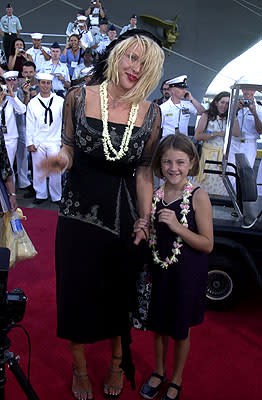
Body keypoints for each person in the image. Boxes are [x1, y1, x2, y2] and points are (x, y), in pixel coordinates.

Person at [39, 29, 165, 400]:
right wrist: (61, 160)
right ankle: (79, 368)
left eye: (144, 63)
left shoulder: (152, 112)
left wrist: (144, 218)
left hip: (123, 217)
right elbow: (69, 147)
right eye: (130, 57)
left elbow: (144, 171)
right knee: (75, 290)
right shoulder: (78, 97)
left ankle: (115, 362)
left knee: (118, 291)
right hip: (78, 213)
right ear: (117, 55)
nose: (135, 67)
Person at [135, 133, 213, 400]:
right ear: (159, 164)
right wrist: (142, 226)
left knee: (180, 329)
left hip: (186, 275)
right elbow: (150, 233)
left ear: (191, 163)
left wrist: (178, 227)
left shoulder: (198, 197)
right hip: (160, 271)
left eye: (180, 162)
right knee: (158, 326)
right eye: (167, 162)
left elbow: (207, 244)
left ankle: (176, 378)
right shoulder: (155, 195)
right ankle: (158, 370)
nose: (173, 168)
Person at [26, 73, 64, 205]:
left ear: (51, 85)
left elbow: (65, 120)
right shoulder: (33, 103)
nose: (45, 86)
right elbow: (29, 124)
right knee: (38, 169)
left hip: (54, 140)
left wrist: (64, 140)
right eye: (43, 82)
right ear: (38, 83)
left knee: (55, 169)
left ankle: (56, 196)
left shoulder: (59, 101)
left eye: (48, 83)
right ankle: (40, 194)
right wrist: (29, 142)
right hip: (38, 140)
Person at [194, 91, 240, 196]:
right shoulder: (207, 115)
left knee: (220, 184)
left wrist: (234, 114)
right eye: (222, 102)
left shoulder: (230, 116)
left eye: (227, 103)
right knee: (204, 183)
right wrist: (215, 134)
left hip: (222, 155)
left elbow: (237, 133)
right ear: (216, 102)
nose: (224, 106)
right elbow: (197, 135)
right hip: (208, 154)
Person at [229, 88, 262, 195]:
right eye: (245, 89)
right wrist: (236, 110)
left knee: (245, 173)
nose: (248, 92)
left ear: (255, 91)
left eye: (251, 90)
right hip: (234, 142)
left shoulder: (260, 109)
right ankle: (229, 197)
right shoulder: (234, 106)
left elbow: (260, 130)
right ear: (242, 90)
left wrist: (255, 113)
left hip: (249, 143)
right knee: (230, 171)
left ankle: (240, 199)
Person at [16, 61, 40, 197]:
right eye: (25, 72)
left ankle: (39, 184)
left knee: (38, 156)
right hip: (23, 126)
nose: (28, 75)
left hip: (39, 127)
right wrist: (27, 95)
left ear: (35, 72)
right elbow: (22, 110)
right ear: (22, 73)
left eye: (31, 72)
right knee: (23, 156)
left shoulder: (43, 84)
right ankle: (25, 183)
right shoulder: (19, 87)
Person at [1, 71, 26, 171]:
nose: (11, 82)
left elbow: (22, 110)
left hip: (10, 137)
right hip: (1, 137)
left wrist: (13, 96)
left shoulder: (11, 99)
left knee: (9, 167)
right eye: (8, 80)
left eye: (14, 79)